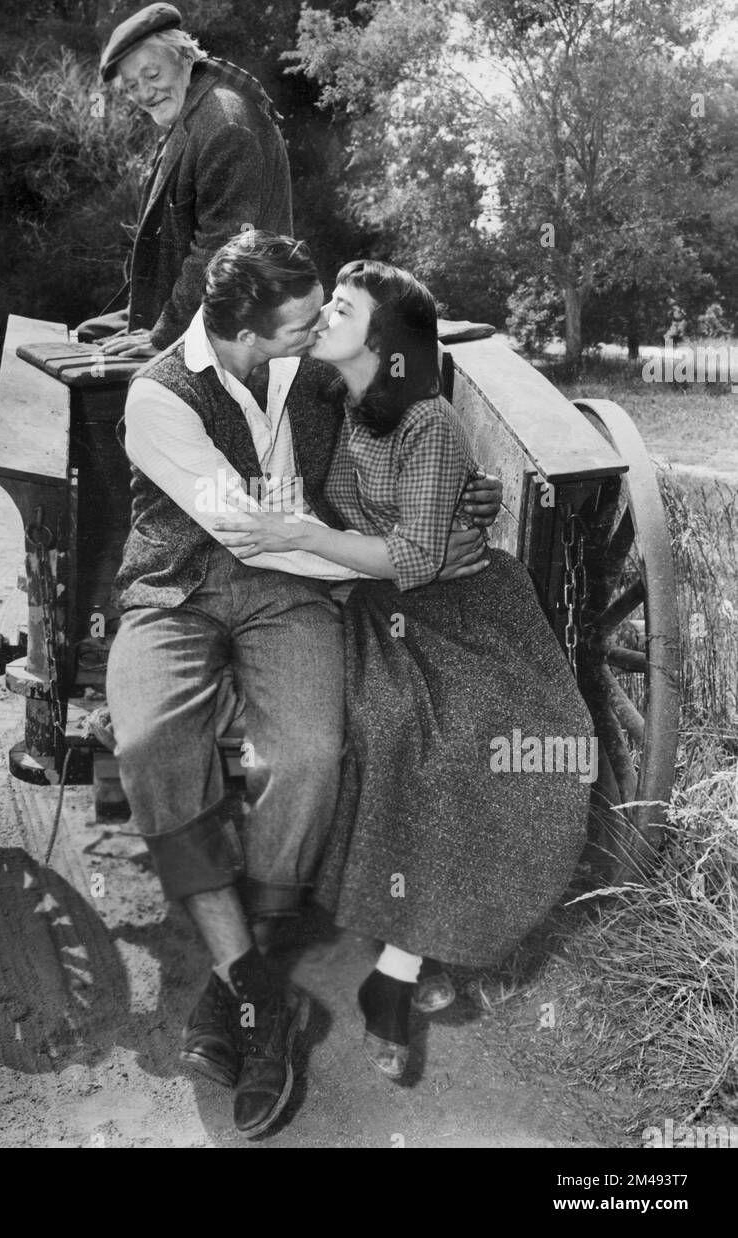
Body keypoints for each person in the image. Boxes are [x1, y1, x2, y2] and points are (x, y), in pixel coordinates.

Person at [104, 232, 502, 1136]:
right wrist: (385, 559)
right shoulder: (158, 398)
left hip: (290, 593)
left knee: (309, 754)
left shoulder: (314, 371)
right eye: (300, 323)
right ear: (244, 330)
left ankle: (242, 977)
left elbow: (402, 426)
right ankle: (256, 992)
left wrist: (455, 499)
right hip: (177, 586)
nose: (319, 328)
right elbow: (242, 528)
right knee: (147, 745)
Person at [215, 260, 594, 1081]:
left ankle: (407, 966)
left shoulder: (426, 424)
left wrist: (307, 539)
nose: (323, 320)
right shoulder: (319, 400)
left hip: (462, 613)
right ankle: (398, 958)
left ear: (382, 343)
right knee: (380, 726)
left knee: (488, 742)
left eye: (342, 310)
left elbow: (420, 556)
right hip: (370, 606)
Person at [74, 1, 293, 357]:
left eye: (152, 75)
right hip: (202, 314)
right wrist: (141, 316)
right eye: (131, 86)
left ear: (185, 57)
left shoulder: (225, 124)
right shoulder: (194, 108)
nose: (144, 93)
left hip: (244, 334)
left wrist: (163, 337)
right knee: (87, 335)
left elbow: (220, 253)